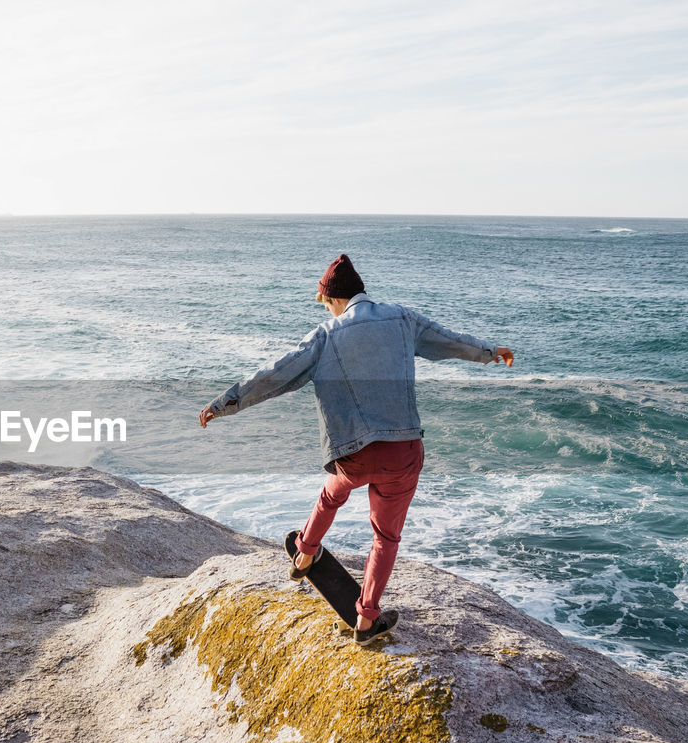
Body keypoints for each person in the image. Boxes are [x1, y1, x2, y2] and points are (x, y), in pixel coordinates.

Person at [199, 253, 514, 645]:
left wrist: (223, 404)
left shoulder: (326, 335)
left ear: (334, 300)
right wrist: (490, 351)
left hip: (351, 456)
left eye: (326, 304)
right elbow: (448, 341)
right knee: (385, 537)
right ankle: (365, 620)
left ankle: (305, 553)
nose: (328, 310)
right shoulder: (402, 318)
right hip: (402, 452)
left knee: (333, 492)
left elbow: (273, 375)